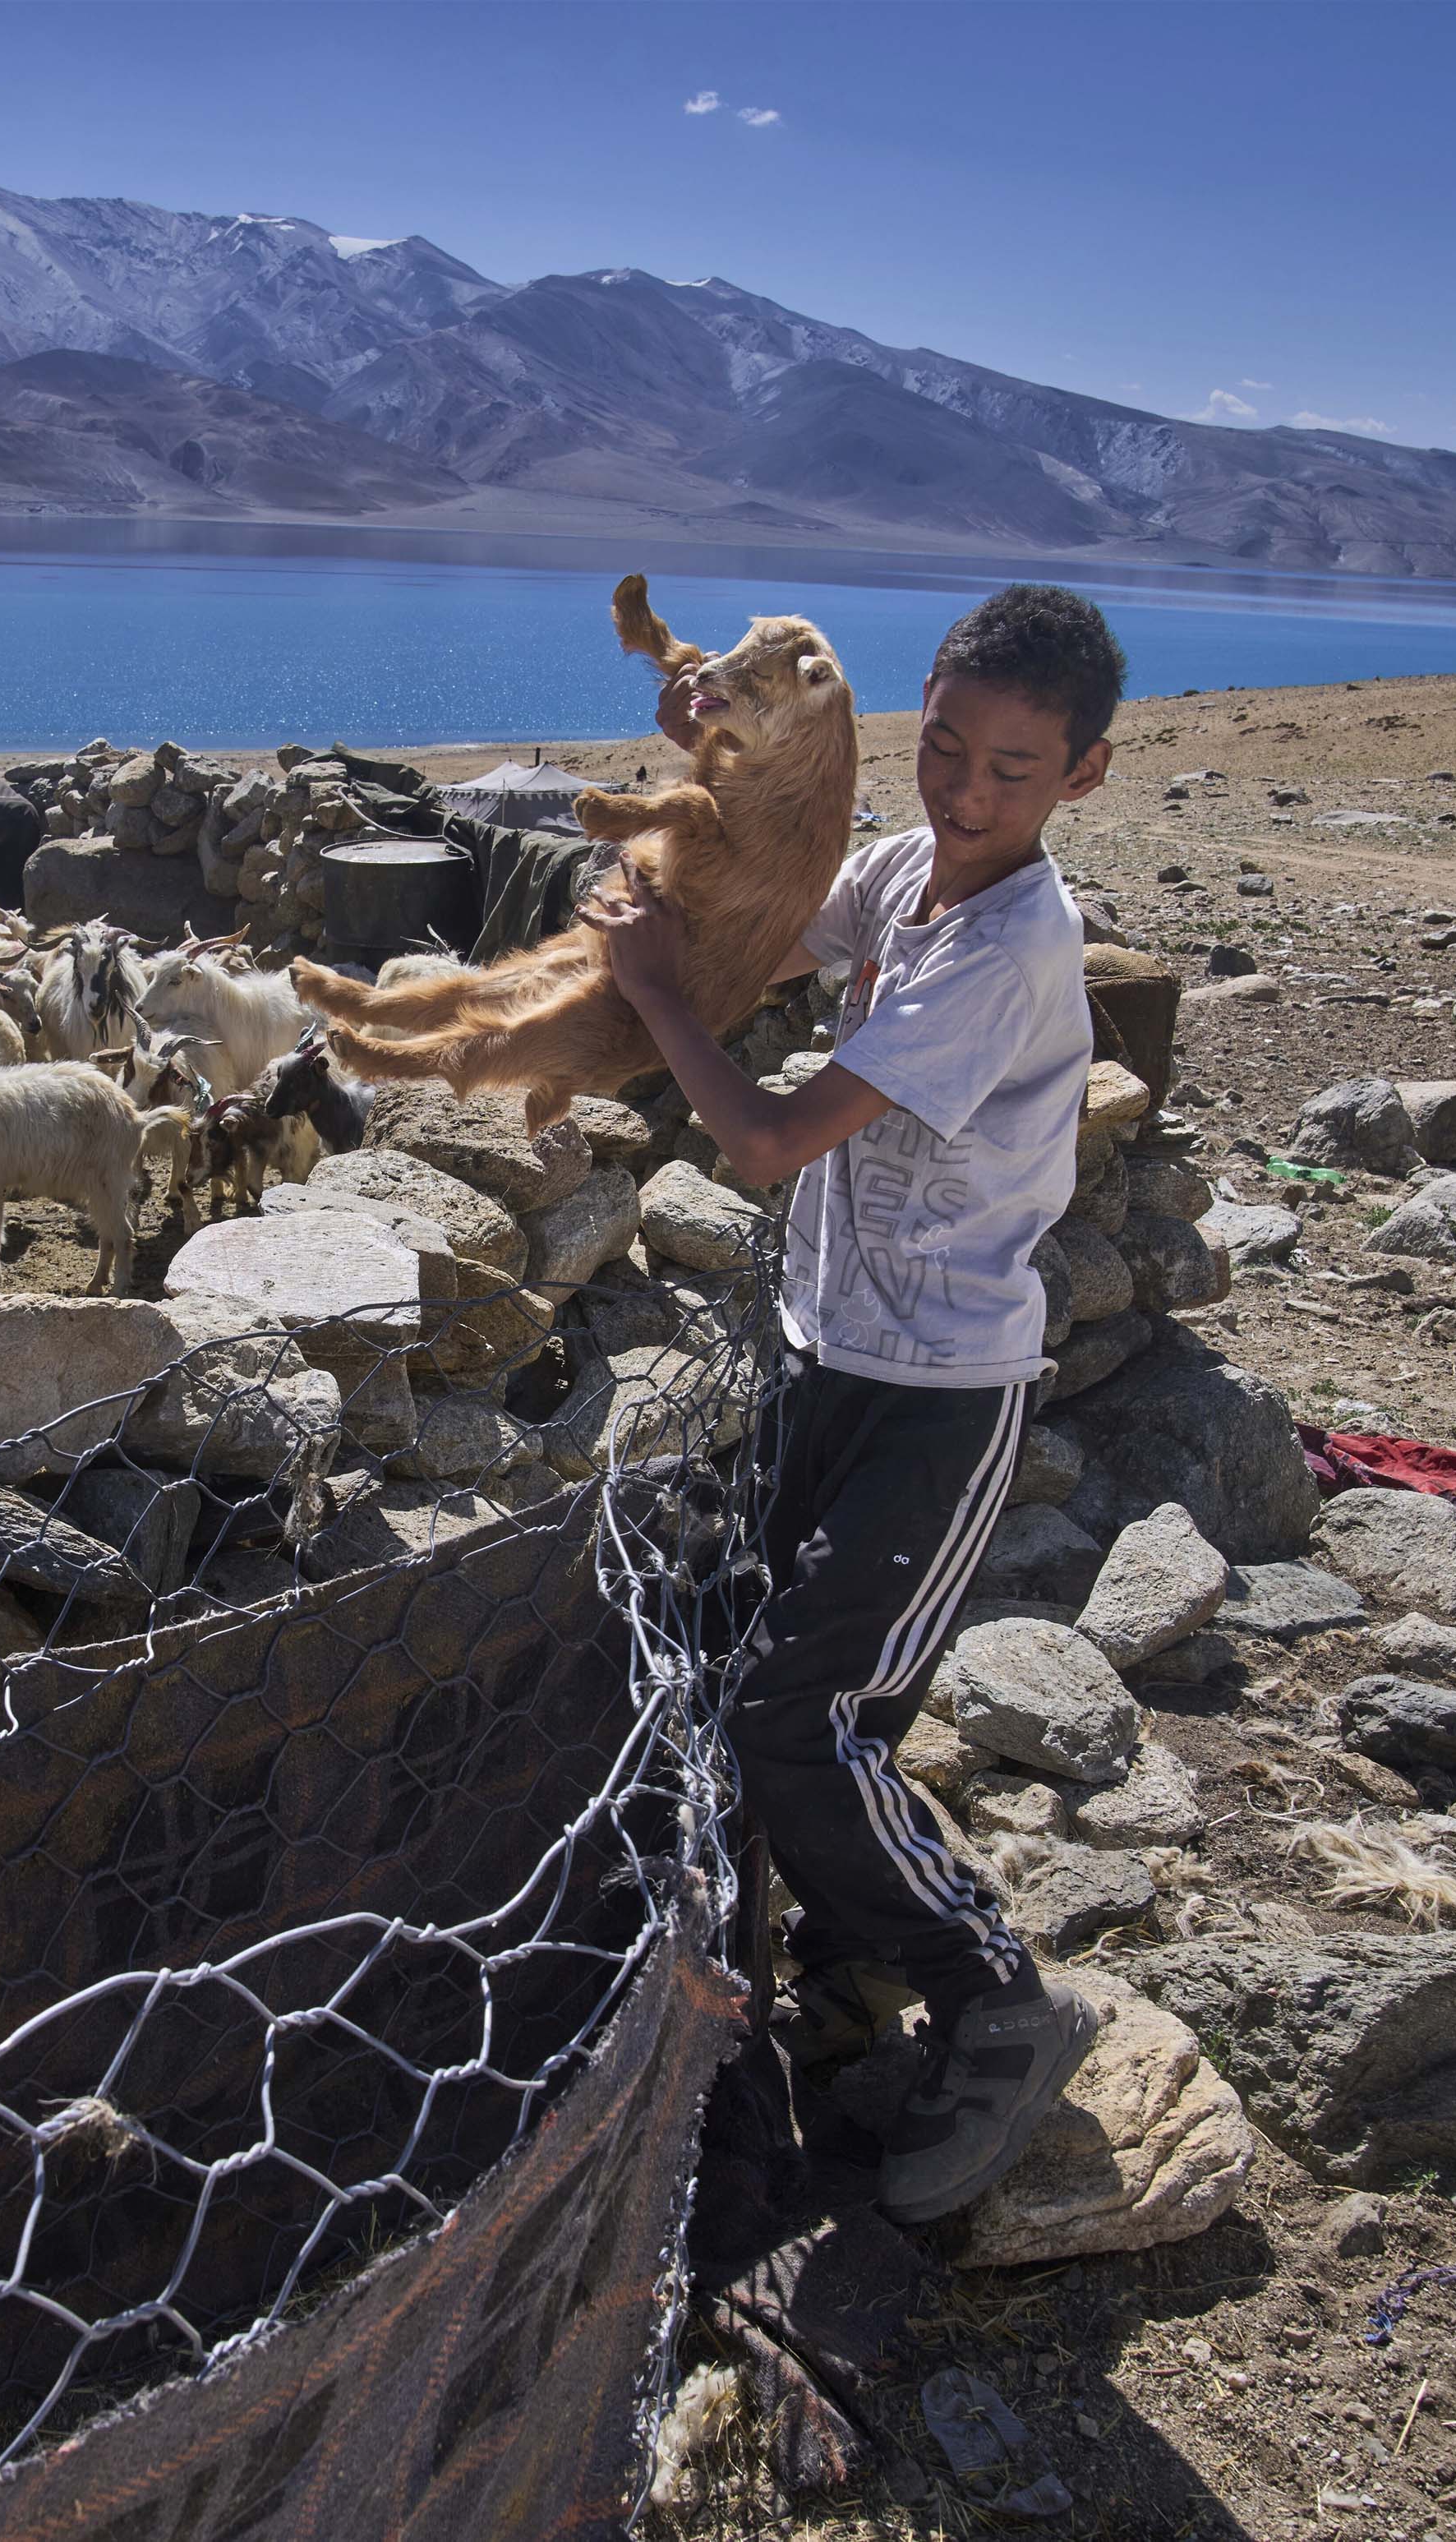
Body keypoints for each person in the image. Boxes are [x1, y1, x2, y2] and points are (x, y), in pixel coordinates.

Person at [592, 584, 1122, 2226]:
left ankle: (995, 2003)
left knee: (793, 1713)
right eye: (944, 748)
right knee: (825, 1698)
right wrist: (729, 770)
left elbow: (758, 1140)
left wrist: (654, 995)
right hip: (832, 1346)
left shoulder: (1007, 950)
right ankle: (845, 1968)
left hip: (937, 1391)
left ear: (1081, 777)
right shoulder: (901, 876)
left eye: (1011, 771)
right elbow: (767, 911)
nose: (963, 793)